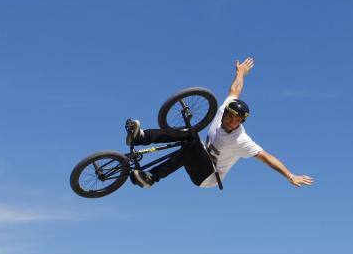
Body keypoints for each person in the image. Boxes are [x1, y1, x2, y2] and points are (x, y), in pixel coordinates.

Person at [126, 57, 314, 189]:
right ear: (226, 112)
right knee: (189, 132)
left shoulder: (241, 141)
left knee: (192, 145)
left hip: (208, 177)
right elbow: (235, 90)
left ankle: (151, 178)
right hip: (201, 157)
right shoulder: (224, 107)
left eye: (237, 121)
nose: (232, 122)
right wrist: (241, 72)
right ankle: (142, 136)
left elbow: (267, 157)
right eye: (230, 117)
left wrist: (290, 175)